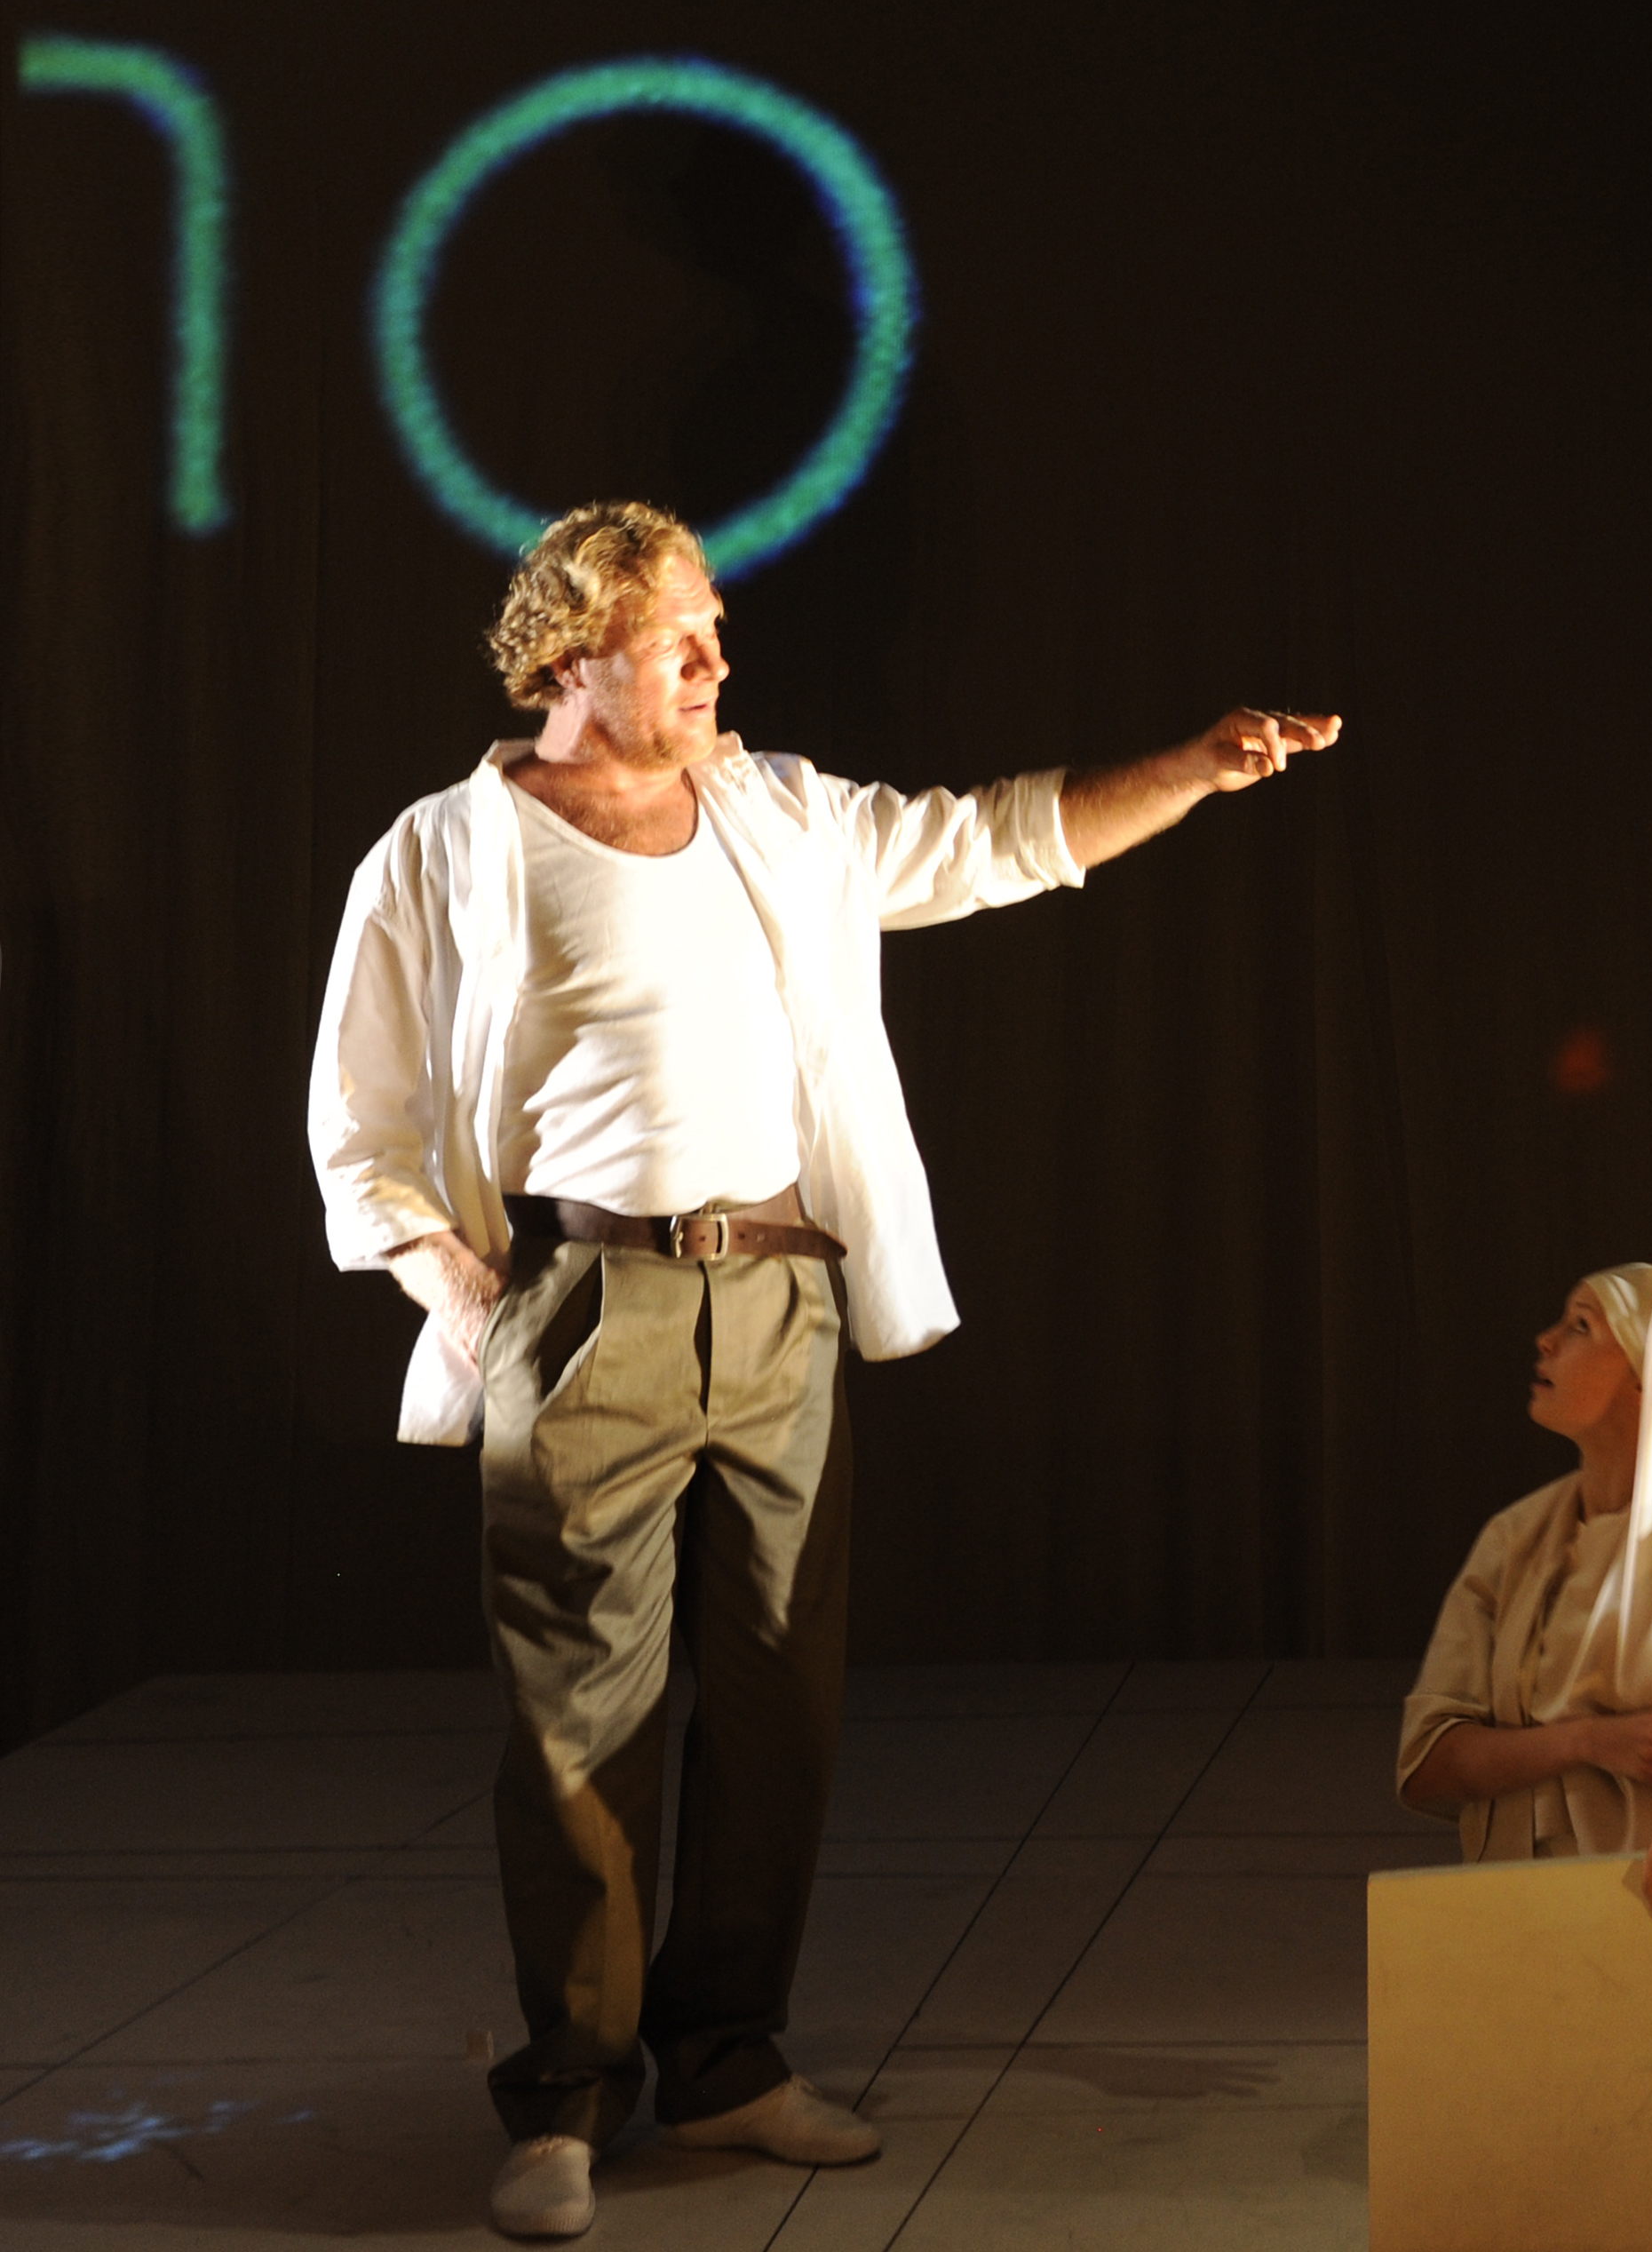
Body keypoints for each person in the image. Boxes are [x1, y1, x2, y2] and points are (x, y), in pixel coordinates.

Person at [307, 501, 1338, 2240]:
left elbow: (993, 840)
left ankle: (726, 2060)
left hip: (780, 1305)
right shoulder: (448, 850)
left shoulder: (778, 811)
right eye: (680, 638)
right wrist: (474, 1297)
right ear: (574, 658)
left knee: (780, 1698)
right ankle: (567, 2098)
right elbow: (358, 1124)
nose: (719, 660)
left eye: (716, 627)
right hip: (589, 1305)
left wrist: (1194, 767)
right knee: (580, 1724)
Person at [1397, 1265, 1652, 1930]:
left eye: (1581, 1327)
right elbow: (1429, 1763)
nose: (1545, 1340)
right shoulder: (1516, 1539)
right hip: (1527, 1917)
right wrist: (1587, 1741)